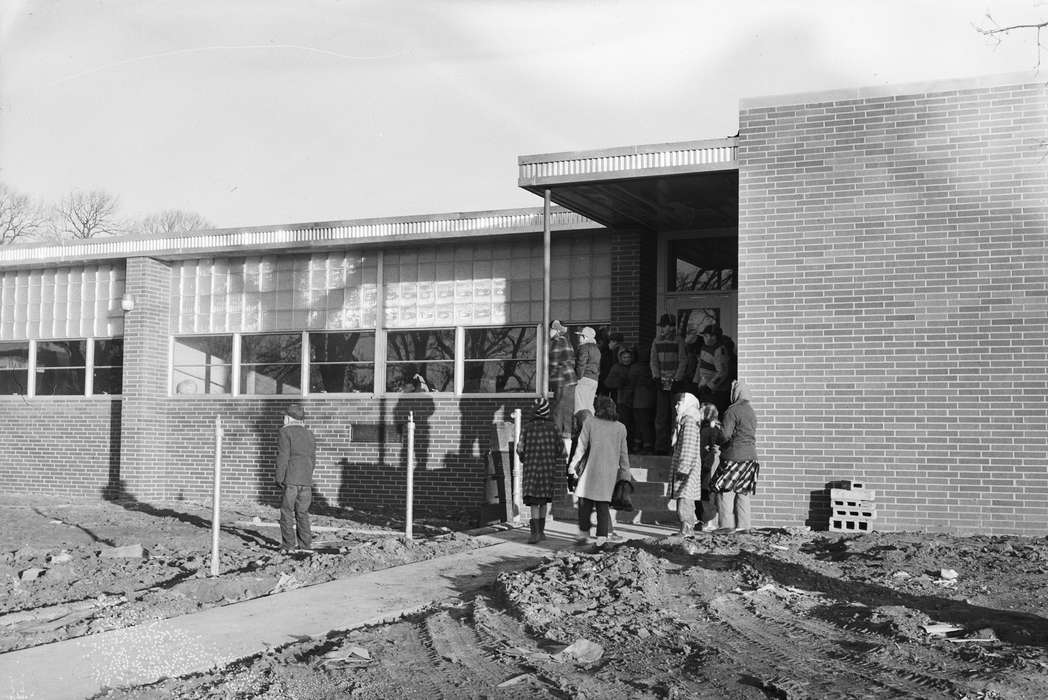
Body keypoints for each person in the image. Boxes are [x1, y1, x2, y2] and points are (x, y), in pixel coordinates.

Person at [568, 396, 631, 550]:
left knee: (585, 504)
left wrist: (572, 467)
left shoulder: (590, 422)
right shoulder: (621, 428)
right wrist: (625, 474)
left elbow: (581, 447)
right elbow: (624, 454)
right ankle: (602, 540)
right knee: (603, 507)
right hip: (608, 473)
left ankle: (583, 534)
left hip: (590, 470)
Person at [516, 397, 567, 544]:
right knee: (544, 502)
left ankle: (534, 533)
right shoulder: (554, 428)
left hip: (531, 472)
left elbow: (520, 449)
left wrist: (524, 458)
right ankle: (542, 532)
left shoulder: (527, 428)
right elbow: (562, 451)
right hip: (547, 471)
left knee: (533, 503)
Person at [713, 380, 759, 533]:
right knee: (743, 492)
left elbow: (725, 435)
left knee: (724, 491)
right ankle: (744, 527)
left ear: (735, 393)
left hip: (733, 456)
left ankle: (726, 526)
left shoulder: (732, 411)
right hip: (751, 457)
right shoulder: (751, 411)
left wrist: (717, 438)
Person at [275, 404, 317, 553]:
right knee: (302, 513)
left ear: (288, 417)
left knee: (287, 512)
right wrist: (307, 475)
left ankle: (288, 545)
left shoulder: (285, 432)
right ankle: (305, 545)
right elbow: (313, 458)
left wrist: (279, 477)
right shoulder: (309, 434)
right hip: (306, 480)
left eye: (284, 415)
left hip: (290, 478)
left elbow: (283, 456)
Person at [669, 393, 703, 537]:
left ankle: (686, 529)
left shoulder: (688, 421)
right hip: (689, 466)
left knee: (684, 498)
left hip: (687, 467)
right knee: (686, 497)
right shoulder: (687, 421)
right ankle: (688, 529)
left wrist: (682, 469)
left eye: (679, 403)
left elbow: (688, 447)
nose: (676, 406)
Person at [650, 314, 684, 454]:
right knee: (661, 416)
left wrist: (677, 379)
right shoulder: (656, 341)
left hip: (674, 383)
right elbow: (653, 360)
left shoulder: (678, 340)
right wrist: (656, 377)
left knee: (675, 415)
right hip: (661, 383)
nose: (665, 329)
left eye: (668, 326)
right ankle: (660, 446)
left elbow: (683, 360)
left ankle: (674, 446)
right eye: (663, 326)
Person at [548, 320, 577, 458]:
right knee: (566, 415)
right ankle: (565, 453)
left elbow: (552, 362)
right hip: (569, 381)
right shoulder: (567, 341)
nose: (549, 332)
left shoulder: (558, 342)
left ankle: (559, 453)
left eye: (550, 329)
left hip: (562, 380)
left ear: (556, 330)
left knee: (558, 413)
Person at [603, 345, 636, 450]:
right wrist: (619, 382)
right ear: (620, 358)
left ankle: (629, 444)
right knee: (622, 422)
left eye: (628, 357)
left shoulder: (634, 368)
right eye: (624, 357)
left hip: (633, 399)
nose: (627, 360)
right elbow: (608, 383)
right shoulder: (616, 368)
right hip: (620, 399)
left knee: (632, 423)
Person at [630, 344, 656, 453]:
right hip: (650, 399)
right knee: (646, 423)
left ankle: (641, 444)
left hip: (638, 400)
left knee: (639, 423)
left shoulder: (635, 368)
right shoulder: (652, 367)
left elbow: (631, 382)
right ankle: (647, 444)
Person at [574, 326, 601, 413]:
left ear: (585, 337)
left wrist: (578, 377)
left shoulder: (584, 347)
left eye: (581, 336)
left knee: (580, 407)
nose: (579, 338)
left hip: (584, 378)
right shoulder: (597, 349)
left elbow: (581, 363)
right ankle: (591, 426)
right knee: (589, 406)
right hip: (594, 380)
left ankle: (583, 426)